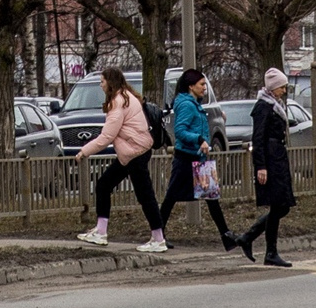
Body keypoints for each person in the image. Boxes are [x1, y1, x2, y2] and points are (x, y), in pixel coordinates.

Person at [74, 67, 167, 253]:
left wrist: (84, 151)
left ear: (111, 82)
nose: (100, 85)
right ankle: (101, 231)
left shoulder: (118, 102)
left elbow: (107, 136)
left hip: (134, 153)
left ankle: (158, 239)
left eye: (102, 82)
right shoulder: (127, 97)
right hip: (133, 152)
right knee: (104, 185)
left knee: (144, 195)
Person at [157, 68, 238, 251]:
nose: (205, 88)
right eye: (202, 85)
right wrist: (199, 139)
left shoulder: (194, 103)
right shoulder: (186, 105)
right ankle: (158, 235)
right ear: (191, 86)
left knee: (211, 197)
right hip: (186, 157)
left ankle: (226, 236)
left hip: (198, 157)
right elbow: (180, 131)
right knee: (171, 197)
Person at [234, 68, 297, 267]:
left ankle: (248, 238)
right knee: (279, 204)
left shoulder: (275, 105)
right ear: (273, 87)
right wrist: (261, 166)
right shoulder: (264, 107)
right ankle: (269, 251)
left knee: (282, 205)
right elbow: (258, 138)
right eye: (282, 87)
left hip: (277, 157)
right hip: (270, 159)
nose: (284, 90)